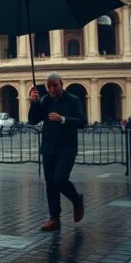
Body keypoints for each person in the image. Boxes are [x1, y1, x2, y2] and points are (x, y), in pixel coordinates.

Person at [28, 73, 87, 232]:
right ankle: (54, 218)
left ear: (61, 83)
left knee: (60, 179)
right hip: (48, 147)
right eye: (49, 86)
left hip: (67, 148)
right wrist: (33, 103)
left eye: (55, 85)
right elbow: (33, 120)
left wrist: (63, 119)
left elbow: (82, 122)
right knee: (51, 184)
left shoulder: (73, 100)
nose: (52, 89)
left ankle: (76, 199)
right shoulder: (45, 101)